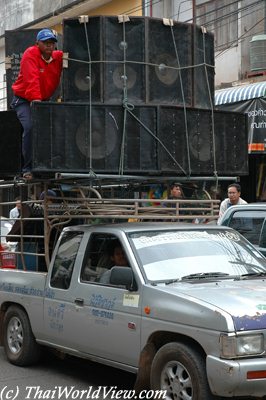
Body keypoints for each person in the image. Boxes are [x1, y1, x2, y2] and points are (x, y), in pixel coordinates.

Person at [10, 29, 63, 179]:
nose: (49, 45)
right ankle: (27, 168)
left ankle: (47, 167)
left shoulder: (58, 57)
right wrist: (36, 100)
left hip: (43, 101)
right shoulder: (30, 53)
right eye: (45, 42)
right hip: (24, 100)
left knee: (54, 130)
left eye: (52, 42)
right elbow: (31, 79)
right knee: (31, 127)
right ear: (37, 43)